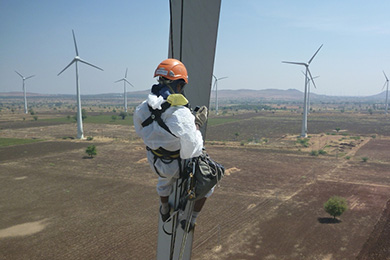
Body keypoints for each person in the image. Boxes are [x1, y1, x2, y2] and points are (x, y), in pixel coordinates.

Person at [133, 58, 211, 231]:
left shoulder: (142, 109)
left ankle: (165, 208)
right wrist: (196, 123)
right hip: (177, 166)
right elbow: (193, 149)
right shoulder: (179, 113)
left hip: (155, 162)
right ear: (179, 85)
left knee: (164, 179)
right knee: (211, 177)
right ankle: (190, 219)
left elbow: (140, 132)